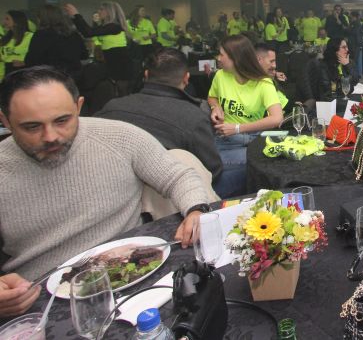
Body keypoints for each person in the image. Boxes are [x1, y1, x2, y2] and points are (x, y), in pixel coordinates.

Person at [0, 66, 210, 308]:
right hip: (38, 298)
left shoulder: (119, 137)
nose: (50, 136)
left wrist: (196, 209)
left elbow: (178, 175)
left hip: (136, 275)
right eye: (32, 127)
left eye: (62, 120)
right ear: (5, 120)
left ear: (78, 106)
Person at [93, 48, 235, 197]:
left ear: (146, 75)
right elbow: (212, 170)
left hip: (114, 190)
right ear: (186, 79)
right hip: (172, 197)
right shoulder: (194, 117)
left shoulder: (112, 107)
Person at [208, 35, 283, 187]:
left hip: (253, 140)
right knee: (209, 167)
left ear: (235, 58)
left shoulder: (263, 83)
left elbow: (277, 118)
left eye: (222, 54)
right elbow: (212, 97)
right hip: (225, 140)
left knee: (214, 171)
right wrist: (215, 107)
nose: (218, 58)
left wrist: (237, 128)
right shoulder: (220, 76)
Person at [66, 2, 132, 92]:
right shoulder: (108, 26)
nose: (98, 11)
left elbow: (88, 32)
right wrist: (74, 17)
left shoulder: (114, 27)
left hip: (119, 64)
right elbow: (87, 32)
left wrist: (76, 15)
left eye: (101, 9)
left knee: (119, 91)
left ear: (109, 12)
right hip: (113, 62)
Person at [24, 5, 87, 81]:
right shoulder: (73, 34)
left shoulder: (41, 35)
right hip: (74, 77)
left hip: (51, 77)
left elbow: (31, 60)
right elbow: (84, 55)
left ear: (42, 19)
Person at [1, 11, 34, 79]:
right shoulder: (6, 38)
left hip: (24, 72)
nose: (4, 22)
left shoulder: (30, 36)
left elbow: (37, 55)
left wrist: (25, 63)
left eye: (7, 19)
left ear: (16, 21)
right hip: (7, 71)